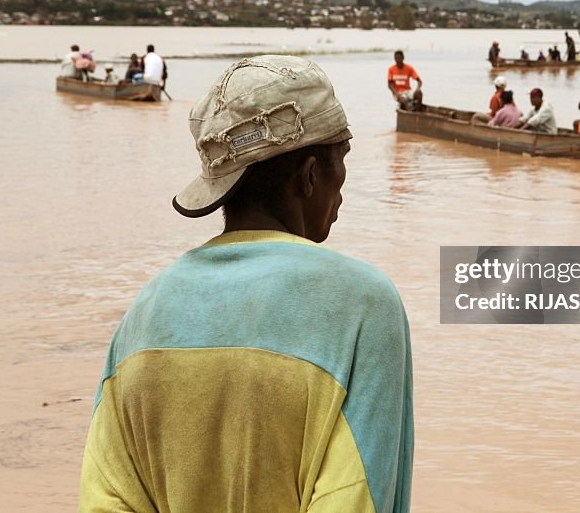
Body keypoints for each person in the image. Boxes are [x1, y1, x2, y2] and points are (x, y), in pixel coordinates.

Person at [79, 56, 414, 513]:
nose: (343, 189)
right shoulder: (362, 305)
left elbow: (107, 498)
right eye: (342, 163)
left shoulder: (146, 310)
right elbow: (356, 498)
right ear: (311, 175)